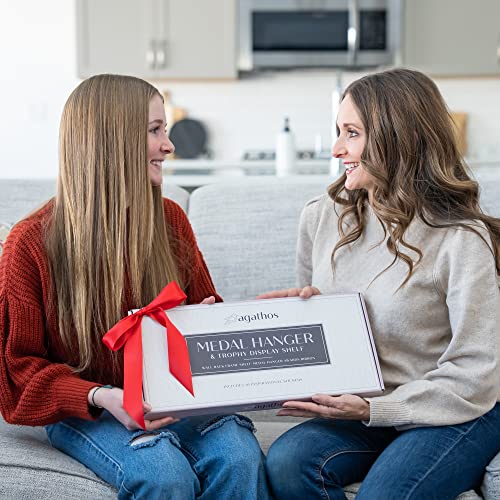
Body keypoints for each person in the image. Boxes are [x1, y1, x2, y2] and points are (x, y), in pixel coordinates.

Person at [0, 74, 269, 500]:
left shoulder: (170, 220)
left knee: (239, 456)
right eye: (155, 131)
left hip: (172, 399)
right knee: (162, 473)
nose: (169, 145)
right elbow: (18, 374)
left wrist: (230, 321)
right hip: (89, 408)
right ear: (112, 141)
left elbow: (208, 318)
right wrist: (102, 396)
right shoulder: (30, 244)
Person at [261, 68, 500, 499]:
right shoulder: (323, 216)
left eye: (351, 133)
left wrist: (375, 408)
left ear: (398, 136)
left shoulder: (460, 239)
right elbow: (317, 340)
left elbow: (477, 374)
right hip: (364, 411)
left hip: (455, 410)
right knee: (287, 462)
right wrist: (301, 315)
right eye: (339, 132)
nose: (336, 149)